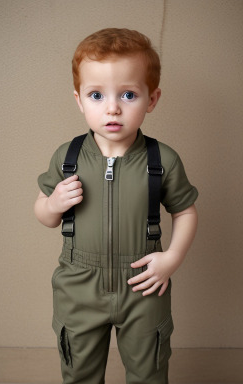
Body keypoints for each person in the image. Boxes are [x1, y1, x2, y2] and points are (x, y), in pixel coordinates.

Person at [34, 28, 198, 384]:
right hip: (78, 285)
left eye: (128, 94)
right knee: (79, 373)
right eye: (96, 95)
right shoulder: (68, 157)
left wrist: (171, 258)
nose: (112, 108)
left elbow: (185, 210)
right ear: (79, 100)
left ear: (151, 99)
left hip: (143, 285)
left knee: (149, 374)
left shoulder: (162, 159)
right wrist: (53, 204)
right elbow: (43, 212)